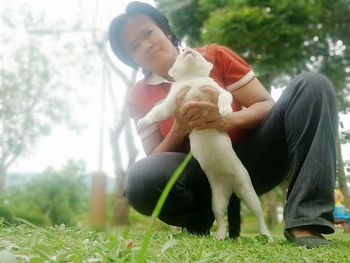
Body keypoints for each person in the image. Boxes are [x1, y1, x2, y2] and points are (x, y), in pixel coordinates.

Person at [108, 1, 338, 248]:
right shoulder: (139, 96)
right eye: (134, 46)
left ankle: (306, 222)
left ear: (165, 30)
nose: (146, 45)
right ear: (133, 59)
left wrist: (226, 119)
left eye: (148, 33)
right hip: (200, 176)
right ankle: (197, 221)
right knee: (140, 178)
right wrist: (180, 128)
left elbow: (264, 104)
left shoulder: (215, 57)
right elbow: (154, 157)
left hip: (254, 159)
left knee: (313, 85)